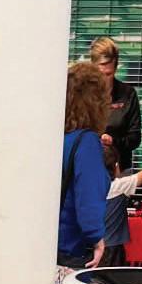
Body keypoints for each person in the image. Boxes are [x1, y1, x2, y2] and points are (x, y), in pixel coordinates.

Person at [58, 62, 112, 268]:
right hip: (71, 246)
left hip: (44, 242)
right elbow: (88, 193)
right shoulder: (86, 142)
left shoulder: (54, 138)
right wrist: (96, 237)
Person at [89, 36, 142, 171]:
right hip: (88, 165)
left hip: (120, 168)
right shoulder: (83, 94)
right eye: (99, 74)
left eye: (108, 74)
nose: (103, 80)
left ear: (116, 69)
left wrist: (113, 141)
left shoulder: (128, 94)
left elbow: (135, 138)